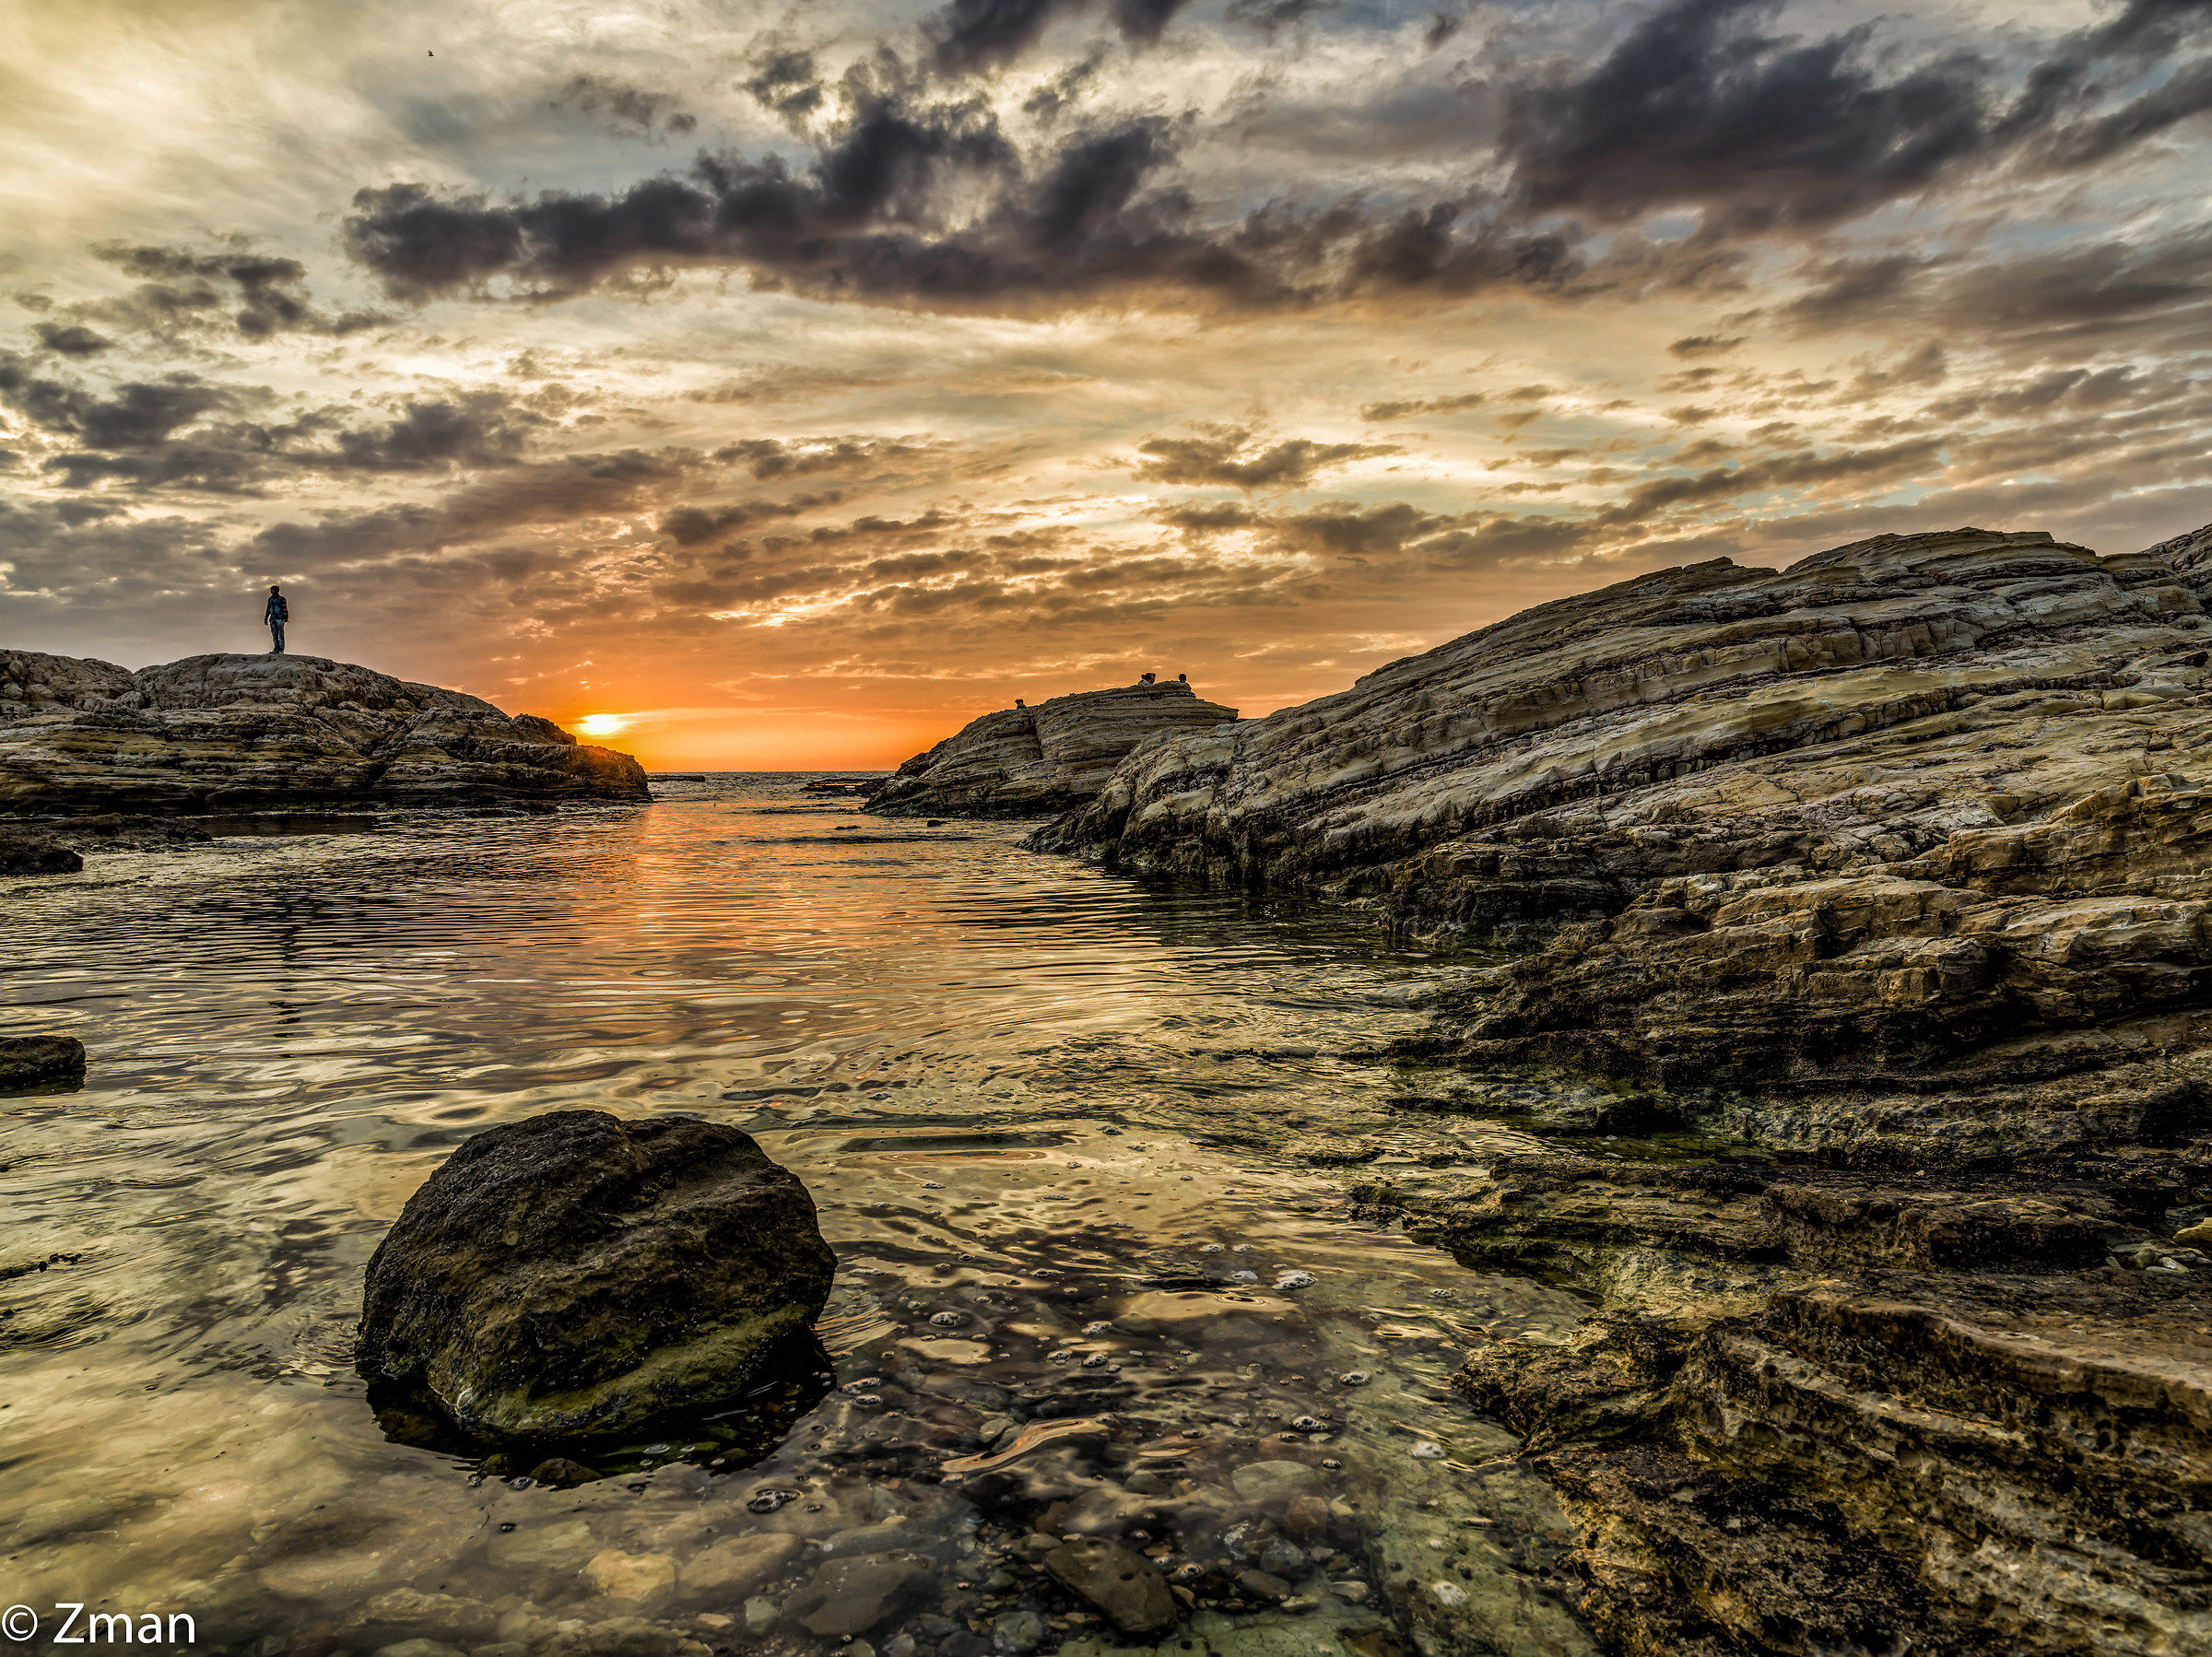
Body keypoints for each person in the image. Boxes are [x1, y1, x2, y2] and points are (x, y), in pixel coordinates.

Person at [264, 584, 288, 653]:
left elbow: (285, 609)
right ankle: (276, 648)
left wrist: (284, 618)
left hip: (279, 618)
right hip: (272, 618)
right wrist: (266, 618)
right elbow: (268, 609)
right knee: (274, 634)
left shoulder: (282, 599)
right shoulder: (270, 599)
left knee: (281, 634)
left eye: (272, 590)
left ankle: (281, 649)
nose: (271, 591)